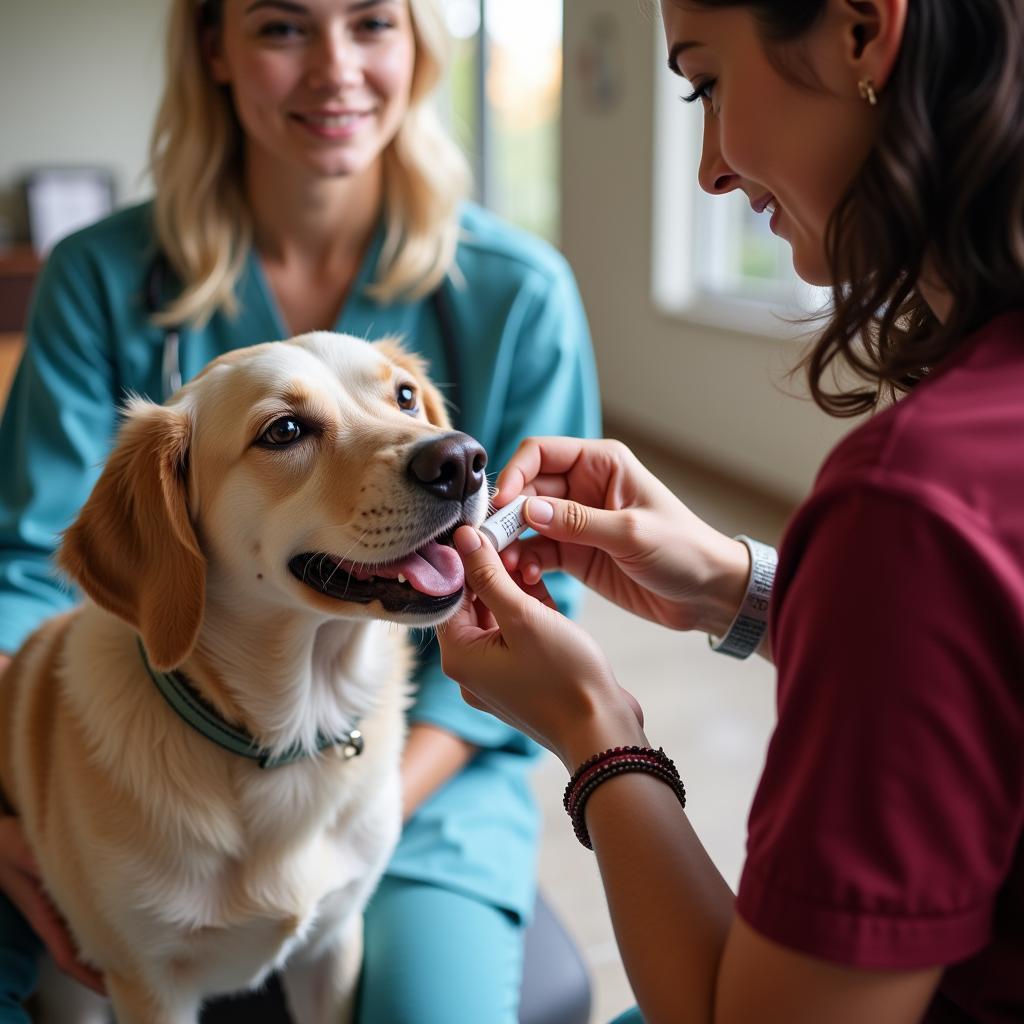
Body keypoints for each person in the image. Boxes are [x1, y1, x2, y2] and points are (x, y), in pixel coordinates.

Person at [0, 1, 600, 1021]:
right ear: (213, 49)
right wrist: (22, 812)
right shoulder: (95, 277)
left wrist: (345, 831)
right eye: (283, 26)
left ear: (417, 46)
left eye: (372, 21)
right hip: (113, 767)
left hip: (420, 766)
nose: (336, 67)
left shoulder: (521, 291)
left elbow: (522, 607)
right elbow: (21, 575)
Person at [436, 1, 1024, 1022]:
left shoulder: (908, 505)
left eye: (706, 83)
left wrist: (595, 731)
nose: (709, 168)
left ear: (859, 31)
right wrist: (733, 586)